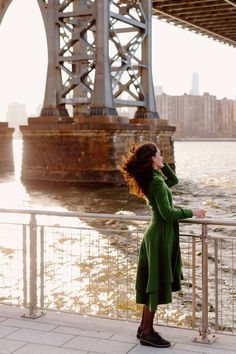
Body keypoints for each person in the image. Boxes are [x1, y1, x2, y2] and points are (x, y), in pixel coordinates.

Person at [120, 142, 206, 348]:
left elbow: (174, 180)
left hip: (158, 235)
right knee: (155, 286)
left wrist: (162, 164)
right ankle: (148, 332)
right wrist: (192, 211)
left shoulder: (156, 178)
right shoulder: (156, 183)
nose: (163, 157)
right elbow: (167, 213)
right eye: (160, 155)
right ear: (151, 159)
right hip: (159, 237)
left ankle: (143, 327)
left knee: (153, 283)